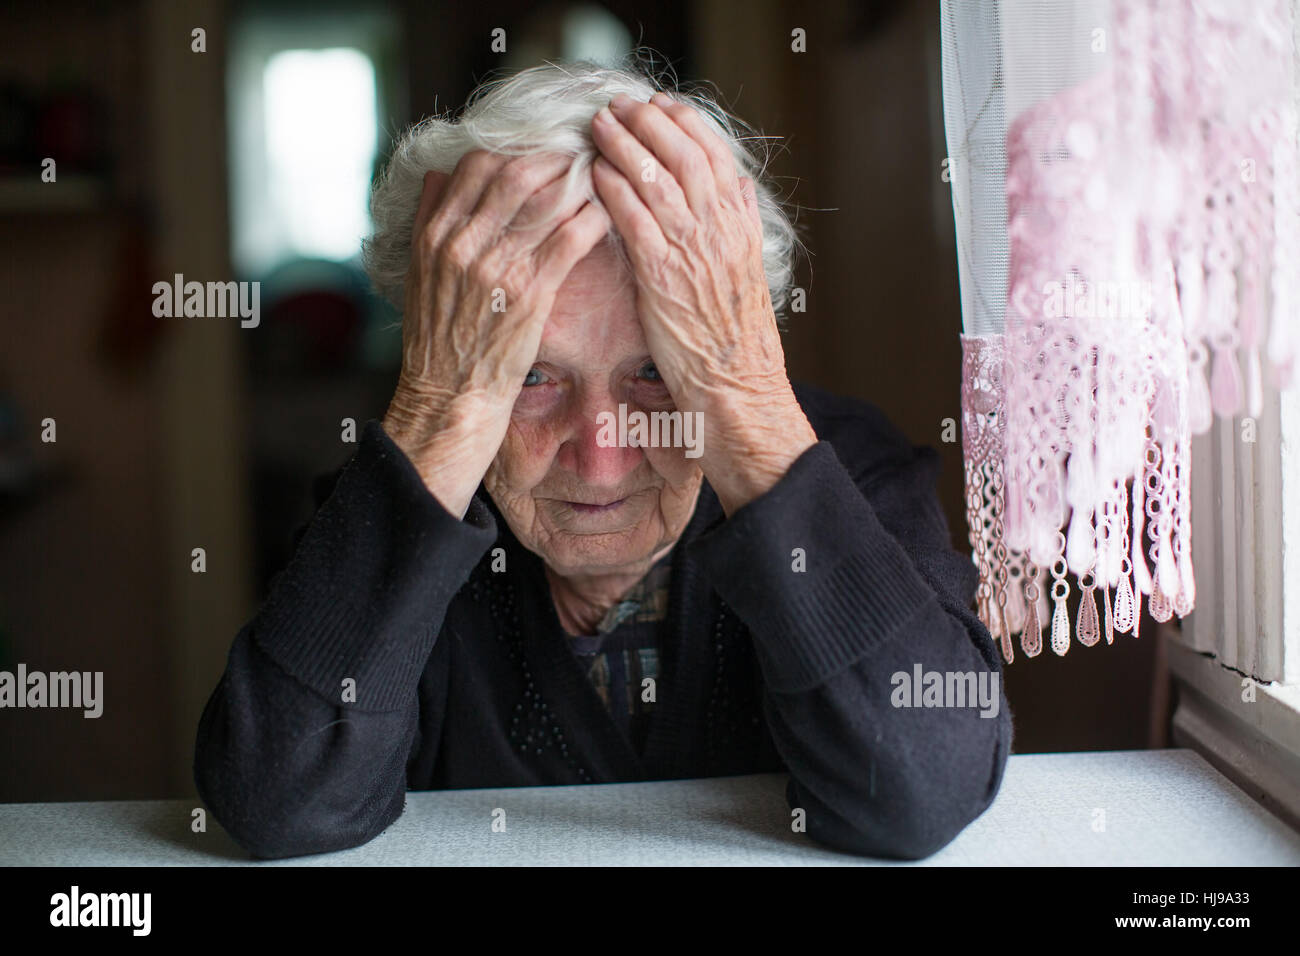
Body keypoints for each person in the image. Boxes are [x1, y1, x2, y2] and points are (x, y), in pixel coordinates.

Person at [194, 58, 1012, 861]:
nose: (603, 455)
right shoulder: (401, 509)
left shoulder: (848, 476)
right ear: (445, 357)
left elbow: (927, 787)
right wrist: (440, 418)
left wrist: (748, 409)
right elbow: (277, 801)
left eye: (656, 372)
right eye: (529, 375)